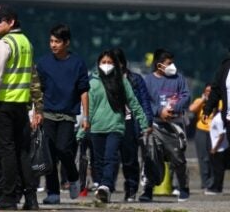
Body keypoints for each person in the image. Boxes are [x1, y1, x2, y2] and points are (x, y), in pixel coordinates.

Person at [0, 4, 41, 210]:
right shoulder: (26, 43)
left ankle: (9, 198)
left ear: (11, 22)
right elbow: (31, 77)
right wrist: (36, 107)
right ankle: (30, 198)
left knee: (7, 152)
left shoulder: (4, 44)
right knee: (22, 152)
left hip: (2, 105)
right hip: (20, 105)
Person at [80, 50, 149, 204]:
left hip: (117, 126)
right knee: (98, 160)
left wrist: (144, 123)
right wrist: (82, 130)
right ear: (98, 64)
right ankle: (102, 186)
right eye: (103, 62)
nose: (106, 65)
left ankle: (107, 186)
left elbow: (135, 103)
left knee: (113, 158)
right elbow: (88, 109)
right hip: (97, 128)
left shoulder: (123, 81)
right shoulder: (93, 83)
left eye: (109, 62)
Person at [34, 23, 89, 204]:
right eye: (51, 41)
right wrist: (36, 112)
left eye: (57, 41)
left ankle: (73, 177)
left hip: (67, 115)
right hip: (47, 114)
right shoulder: (43, 63)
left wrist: (86, 117)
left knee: (64, 149)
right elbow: (37, 90)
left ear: (66, 43)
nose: (53, 45)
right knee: (48, 154)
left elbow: (83, 91)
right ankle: (53, 193)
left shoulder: (78, 63)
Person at [140, 48, 190, 202]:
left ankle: (183, 187)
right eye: (169, 63)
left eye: (172, 63)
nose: (172, 66)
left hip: (174, 126)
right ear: (159, 64)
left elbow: (186, 96)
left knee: (178, 159)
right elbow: (144, 101)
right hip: (155, 126)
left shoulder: (179, 79)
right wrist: (159, 111)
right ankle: (148, 190)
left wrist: (174, 109)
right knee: (150, 156)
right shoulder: (148, 80)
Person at [189, 85, 215, 191]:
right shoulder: (199, 100)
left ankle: (213, 182)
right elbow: (191, 109)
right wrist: (203, 100)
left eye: (211, 91)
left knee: (214, 158)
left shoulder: (219, 101)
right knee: (203, 158)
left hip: (215, 132)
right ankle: (205, 183)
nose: (209, 93)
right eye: (207, 91)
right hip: (202, 131)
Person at [207, 111, 227, 195]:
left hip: (220, 148)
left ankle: (217, 188)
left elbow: (222, 134)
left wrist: (215, 148)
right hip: (219, 146)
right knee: (216, 169)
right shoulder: (216, 117)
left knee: (219, 170)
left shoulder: (219, 119)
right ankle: (215, 186)